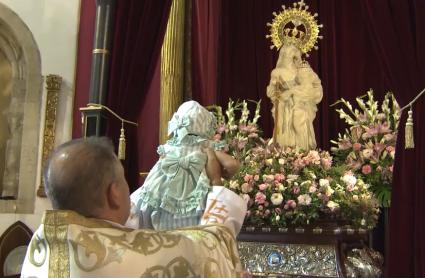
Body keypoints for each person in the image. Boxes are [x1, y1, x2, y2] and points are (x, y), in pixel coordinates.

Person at [21, 137, 245, 277]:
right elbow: (211, 248)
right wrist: (215, 182)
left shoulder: (40, 247)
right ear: (114, 193)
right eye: (123, 180)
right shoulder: (132, 256)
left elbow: (122, 216)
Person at [130, 100, 240, 230]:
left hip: (161, 204)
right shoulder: (207, 148)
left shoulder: (169, 147)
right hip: (197, 211)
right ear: (207, 125)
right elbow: (233, 165)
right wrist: (221, 175)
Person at [266, 43, 323, 151]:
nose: (293, 54)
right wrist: (275, 89)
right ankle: (286, 158)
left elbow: (315, 84)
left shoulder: (303, 69)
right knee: (284, 136)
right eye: (289, 51)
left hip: (300, 106)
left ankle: (303, 154)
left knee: (299, 126)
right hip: (284, 109)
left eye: (295, 51)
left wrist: (307, 93)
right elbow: (271, 93)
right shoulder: (277, 72)